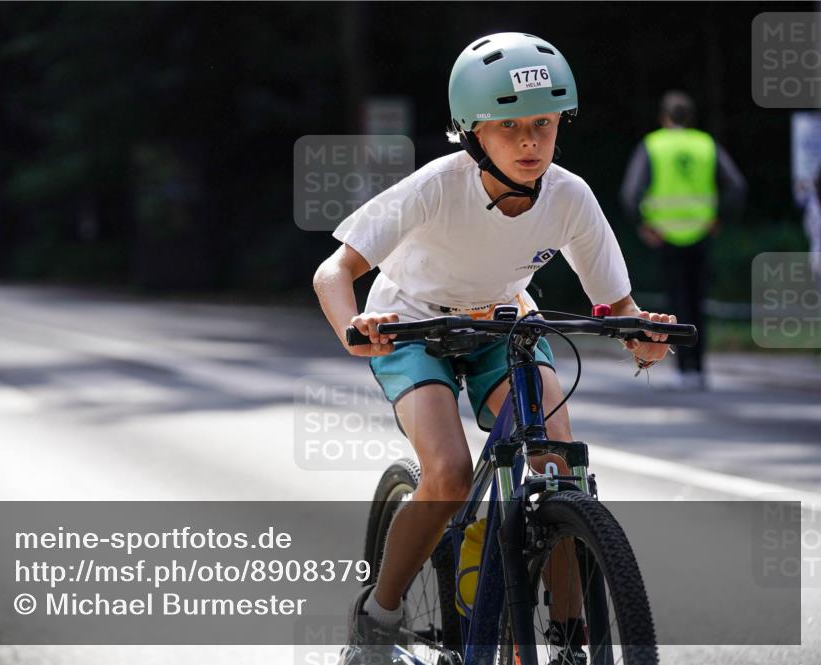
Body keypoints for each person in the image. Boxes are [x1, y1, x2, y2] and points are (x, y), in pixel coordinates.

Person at [314, 33, 676, 665]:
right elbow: (333, 272)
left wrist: (644, 338)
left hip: (504, 323)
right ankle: (379, 614)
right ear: (473, 131)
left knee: (561, 466)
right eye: (510, 127)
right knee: (449, 474)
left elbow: (619, 310)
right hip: (410, 325)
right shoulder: (436, 185)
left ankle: (567, 639)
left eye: (544, 123)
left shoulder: (569, 195)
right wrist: (354, 330)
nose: (531, 142)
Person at [620, 91, 746, 391]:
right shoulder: (706, 144)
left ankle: (681, 369)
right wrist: (720, 218)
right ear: (690, 117)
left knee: (676, 302)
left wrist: (644, 224)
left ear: (664, 117)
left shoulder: (653, 144)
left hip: (666, 236)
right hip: (701, 234)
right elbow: (736, 186)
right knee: (698, 301)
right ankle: (699, 369)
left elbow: (630, 192)